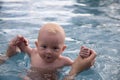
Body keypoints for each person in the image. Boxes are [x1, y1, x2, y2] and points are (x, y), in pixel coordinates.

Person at [0, 23, 96, 80]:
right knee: (23, 76)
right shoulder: (33, 53)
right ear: (37, 45)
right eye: (44, 46)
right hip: (31, 77)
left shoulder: (63, 61)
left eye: (55, 48)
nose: (49, 51)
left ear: (63, 49)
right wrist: (19, 42)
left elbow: (78, 64)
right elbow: (23, 48)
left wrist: (84, 55)